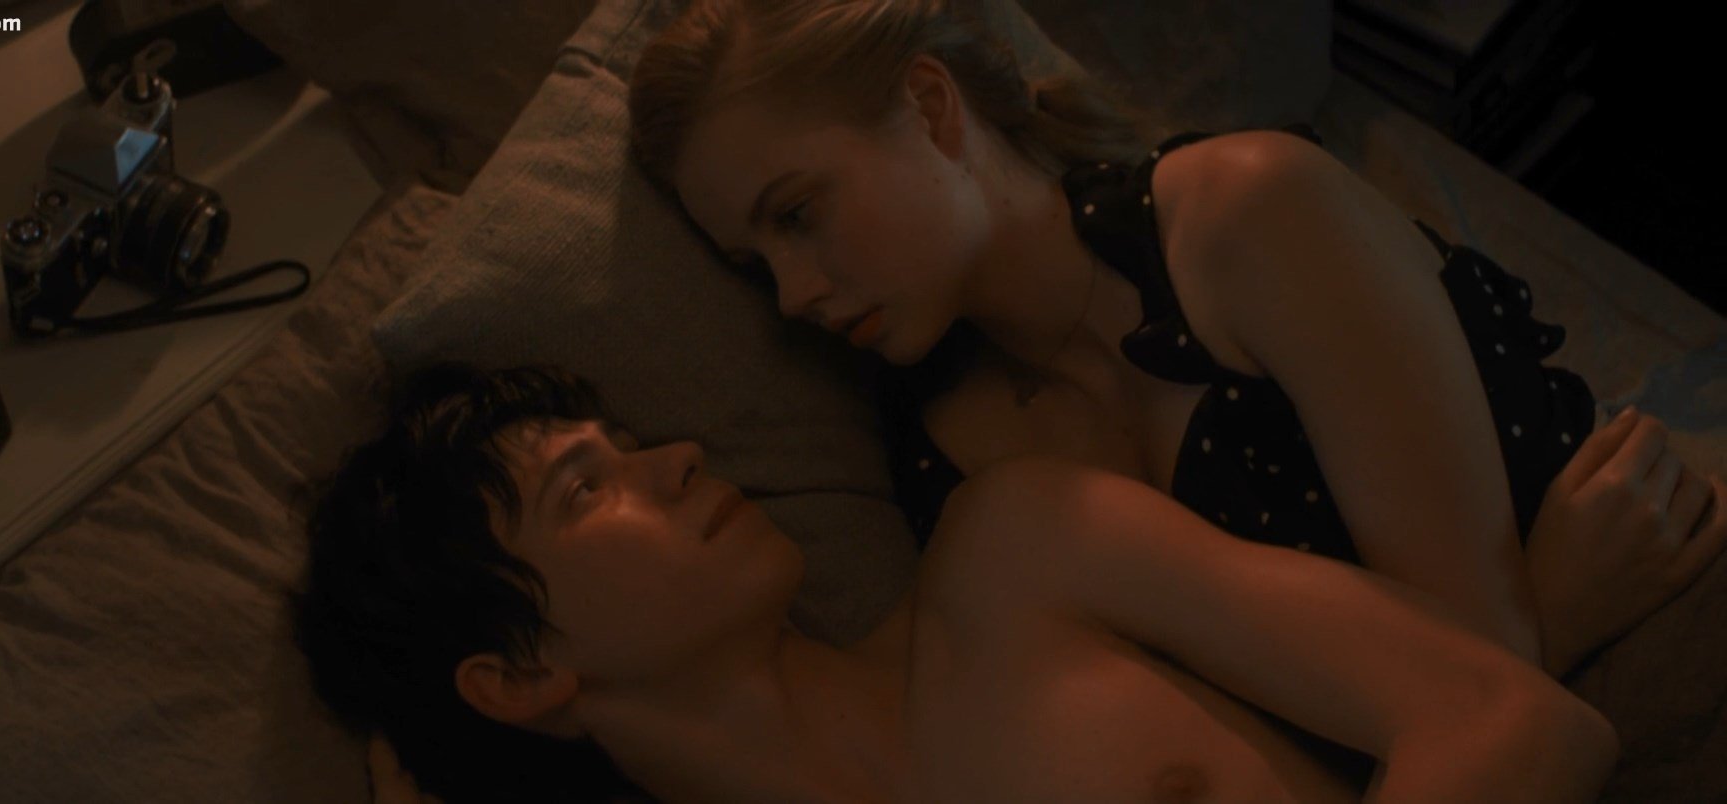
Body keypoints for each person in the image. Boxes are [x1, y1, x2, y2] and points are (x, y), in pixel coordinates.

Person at [625, 0, 1726, 679]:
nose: (792, 296)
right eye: (754, 263)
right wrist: (1560, 608)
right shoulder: (948, 470)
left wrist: (1523, 646)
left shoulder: (1247, 214)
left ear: (929, 106)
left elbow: (1476, 666)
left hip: (1681, 620)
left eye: (797, 214)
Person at [294, 363, 1703, 802]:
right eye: (585, 489)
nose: (675, 459)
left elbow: (1517, 724)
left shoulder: (1019, 554)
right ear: (521, 676)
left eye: (631, 443)